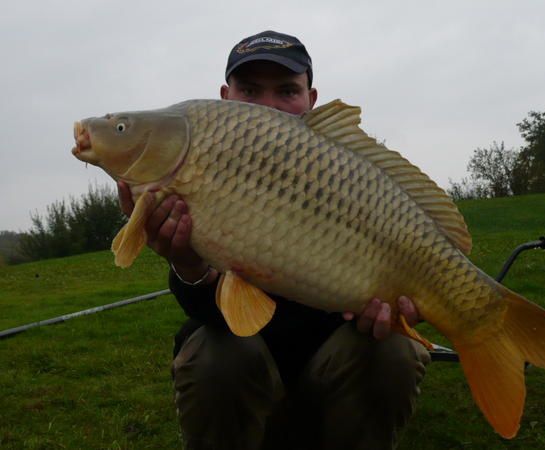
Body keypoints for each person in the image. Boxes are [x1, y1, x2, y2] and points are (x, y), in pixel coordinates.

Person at [118, 30, 431, 450]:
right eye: (250, 90)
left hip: (335, 360)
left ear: (311, 98)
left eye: (286, 91)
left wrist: (410, 303)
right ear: (225, 98)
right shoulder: (199, 168)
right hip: (252, 367)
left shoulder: (349, 172)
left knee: (394, 349)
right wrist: (189, 264)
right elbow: (218, 316)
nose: (268, 106)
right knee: (216, 355)